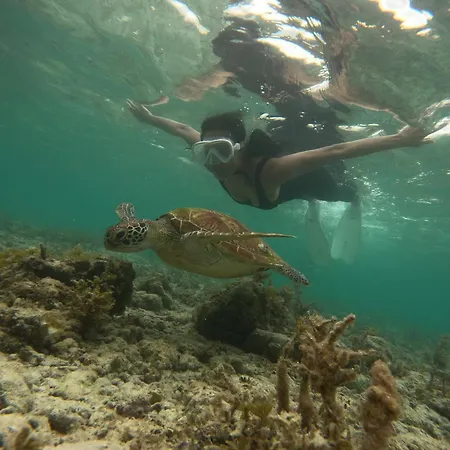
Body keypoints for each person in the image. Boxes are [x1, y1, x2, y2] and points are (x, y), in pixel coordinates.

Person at [126, 101, 431, 266]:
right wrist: (149, 118)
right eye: (204, 151)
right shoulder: (212, 155)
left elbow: (335, 151)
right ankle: (310, 203)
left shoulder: (271, 171)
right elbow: (182, 128)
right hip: (281, 191)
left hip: (314, 181)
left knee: (341, 192)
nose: (213, 161)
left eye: (221, 150)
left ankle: (350, 198)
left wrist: (400, 139)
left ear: (239, 148)